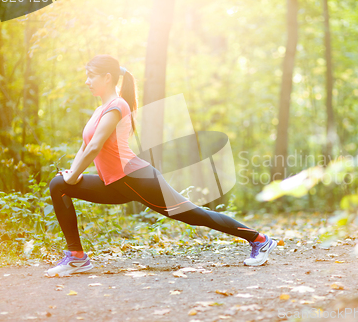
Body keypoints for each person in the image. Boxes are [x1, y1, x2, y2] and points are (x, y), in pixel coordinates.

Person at [46, 54, 277, 277]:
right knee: (59, 185)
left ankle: (259, 240)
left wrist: (75, 175)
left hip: (137, 179)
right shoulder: (99, 110)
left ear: (107, 77)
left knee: (194, 215)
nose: (87, 81)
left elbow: (96, 145)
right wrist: (71, 174)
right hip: (115, 183)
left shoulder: (117, 106)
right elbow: (85, 145)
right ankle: (76, 256)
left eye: (91, 75)